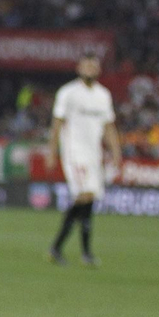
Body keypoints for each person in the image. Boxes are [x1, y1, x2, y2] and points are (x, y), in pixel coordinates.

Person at [48, 55, 120, 266]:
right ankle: (61, 248)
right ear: (79, 67)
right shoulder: (68, 93)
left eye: (93, 65)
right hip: (74, 153)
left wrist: (116, 151)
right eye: (86, 65)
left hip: (94, 155)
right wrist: (52, 152)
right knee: (85, 195)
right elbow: (57, 123)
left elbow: (109, 127)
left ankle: (77, 252)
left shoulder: (103, 95)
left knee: (89, 201)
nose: (90, 68)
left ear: (98, 69)